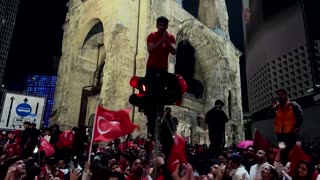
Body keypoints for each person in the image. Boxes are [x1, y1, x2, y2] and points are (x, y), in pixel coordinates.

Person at [271, 89, 303, 156]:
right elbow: (270, 115)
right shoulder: (276, 107)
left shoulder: (293, 104)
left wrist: (297, 127)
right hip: (280, 135)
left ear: (286, 95)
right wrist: (272, 107)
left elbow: (300, 116)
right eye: (279, 94)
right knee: (283, 152)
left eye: (282, 94)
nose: (280, 96)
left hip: (291, 133)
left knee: (293, 152)